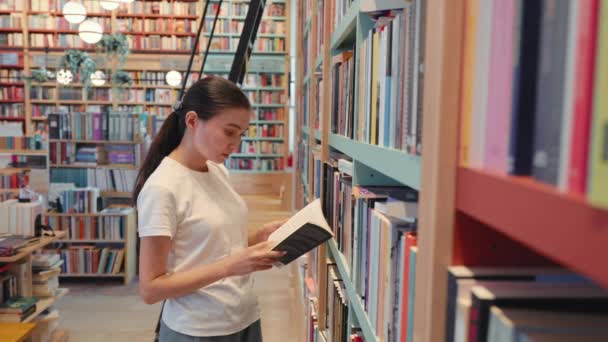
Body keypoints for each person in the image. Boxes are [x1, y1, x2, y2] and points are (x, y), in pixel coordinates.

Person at [132, 76, 287, 342]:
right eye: (229, 131)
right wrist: (229, 267)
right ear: (192, 121)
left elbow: (212, 246)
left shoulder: (217, 170)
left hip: (244, 316)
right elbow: (151, 289)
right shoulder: (163, 188)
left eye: (241, 134)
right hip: (198, 330)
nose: (235, 144)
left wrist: (258, 236)